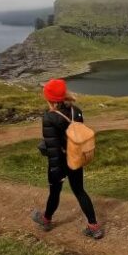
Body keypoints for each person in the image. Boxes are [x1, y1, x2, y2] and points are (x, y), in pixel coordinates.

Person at [31, 78, 104, 239]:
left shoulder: (49, 118)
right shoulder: (76, 111)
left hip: (60, 163)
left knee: (55, 192)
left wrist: (56, 171)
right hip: (76, 158)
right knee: (79, 191)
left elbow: (54, 149)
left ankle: (46, 220)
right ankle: (94, 226)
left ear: (49, 98)